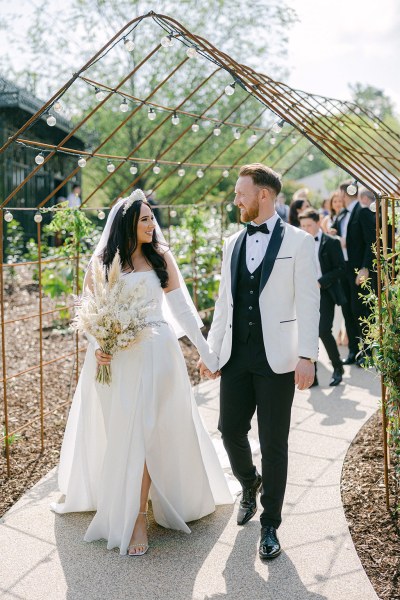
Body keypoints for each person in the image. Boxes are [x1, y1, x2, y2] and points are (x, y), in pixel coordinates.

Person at [51, 190, 233, 556]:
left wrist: (207, 352)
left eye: (152, 218)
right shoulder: (103, 262)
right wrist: (97, 344)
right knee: (128, 432)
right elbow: (90, 312)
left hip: (159, 353)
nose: (152, 225)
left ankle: (137, 516)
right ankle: (131, 504)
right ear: (127, 224)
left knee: (150, 430)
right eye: (145, 219)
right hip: (117, 360)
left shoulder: (160, 257)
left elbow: (182, 310)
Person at [200, 163, 320, 560]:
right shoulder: (232, 243)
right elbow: (223, 305)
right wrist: (212, 352)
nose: (236, 199)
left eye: (241, 193)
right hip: (236, 355)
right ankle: (249, 483)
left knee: (273, 443)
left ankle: (270, 525)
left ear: (263, 195)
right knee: (229, 429)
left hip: (278, 359)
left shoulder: (300, 243)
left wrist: (307, 356)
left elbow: (309, 302)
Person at [299, 208, 346, 386]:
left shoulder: (331, 242)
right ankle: (314, 375)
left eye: (308, 225)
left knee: (323, 330)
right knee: (308, 333)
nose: (305, 229)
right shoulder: (299, 244)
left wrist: (320, 282)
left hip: (325, 292)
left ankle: (337, 367)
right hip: (305, 295)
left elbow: (341, 269)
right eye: (302, 226)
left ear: (318, 222)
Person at [331, 180, 376, 366]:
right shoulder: (341, 215)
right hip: (344, 270)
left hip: (358, 270)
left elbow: (372, 241)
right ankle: (353, 352)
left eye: (340, 193)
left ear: (344, 193)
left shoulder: (363, 211)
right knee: (348, 311)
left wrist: (365, 267)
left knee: (361, 311)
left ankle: (367, 353)